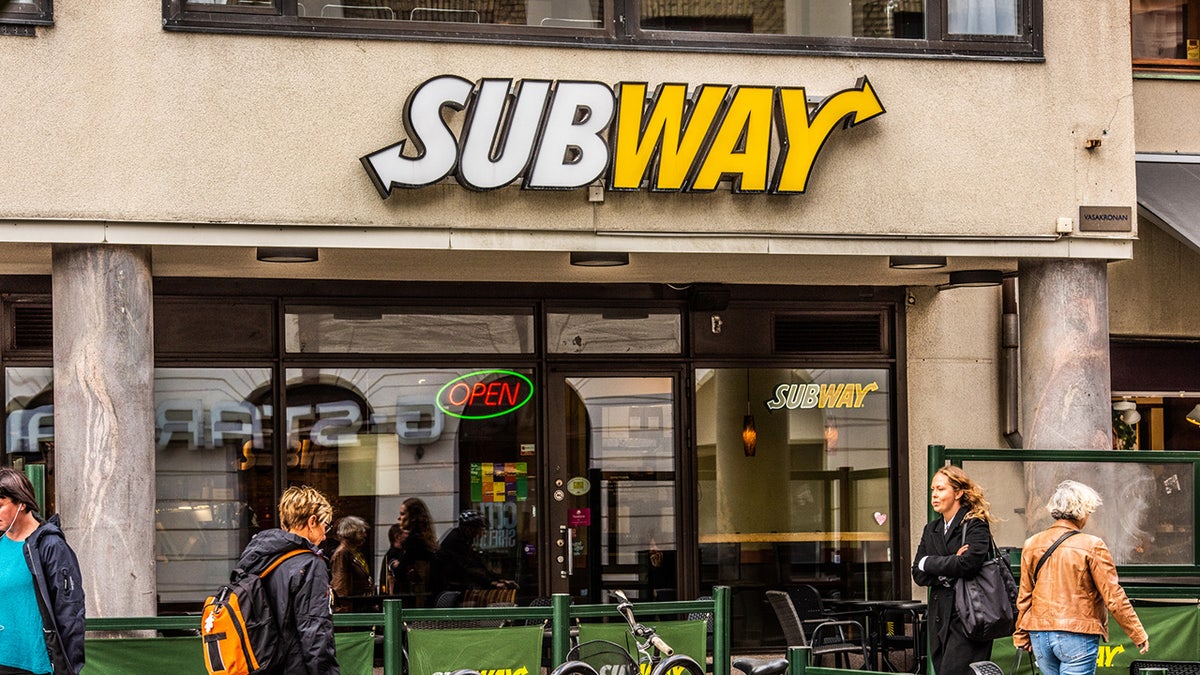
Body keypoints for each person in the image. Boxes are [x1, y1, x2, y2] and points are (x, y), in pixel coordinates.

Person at [1013, 480, 1148, 675]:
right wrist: (1137, 632)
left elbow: (1024, 595)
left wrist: (1021, 634)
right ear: (1082, 510)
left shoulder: (1032, 543)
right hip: (1077, 633)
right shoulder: (1092, 545)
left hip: (1039, 634)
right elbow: (1113, 596)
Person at [232, 485, 339, 675]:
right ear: (312, 521)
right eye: (326, 525)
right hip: (293, 667)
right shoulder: (311, 565)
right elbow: (315, 632)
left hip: (259, 666)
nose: (325, 535)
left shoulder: (257, 557)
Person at [0, 467, 85, 675]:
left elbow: (71, 612)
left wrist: (67, 669)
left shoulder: (50, 546)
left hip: (34, 664)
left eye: (0, 505)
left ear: (21, 503)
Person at [911, 465, 996, 675]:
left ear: (958, 493)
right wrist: (950, 563)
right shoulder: (931, 529)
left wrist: (929, 562)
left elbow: (967, 564)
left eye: (940, 489)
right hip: (939, 616)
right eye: (932, 490)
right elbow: (917, 572)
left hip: (969, 614)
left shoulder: (975, 524)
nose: (934, 495)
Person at [432, 509, 515, 594]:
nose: (482, 534)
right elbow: (470, 568)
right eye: (480, 529)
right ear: (468, 529)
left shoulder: (463, 540)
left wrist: (498, 579)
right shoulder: (455, 542)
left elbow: (477, 563)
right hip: (447, 590)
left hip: (455, 587)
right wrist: (491, 582)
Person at [330, 515, 374, 612]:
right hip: (351, 608)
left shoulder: (353, 552)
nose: (365, 535)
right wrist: (344, 615)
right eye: (361, 532)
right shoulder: (342, 553)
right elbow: (339, 584)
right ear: (352, 532)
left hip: (359, 606)